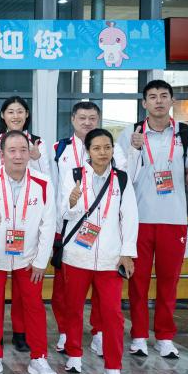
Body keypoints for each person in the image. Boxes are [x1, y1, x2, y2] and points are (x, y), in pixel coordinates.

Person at [117, 80, 188, 359]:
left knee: (169, 281)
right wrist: (133, 150)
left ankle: (165, 337)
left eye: (163, 96)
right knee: (138, 282)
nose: (158, 101)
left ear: (171, 101)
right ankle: (139, 336)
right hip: (139, 219)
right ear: (144, 103)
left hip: (174, 218)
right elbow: (122, 177)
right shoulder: (131, 133)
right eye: (153, 96)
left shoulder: (186, 133)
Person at [0, 130, 58, 374]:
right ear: (1, 155)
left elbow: (48, 225)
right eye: (12, 151)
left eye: (23, 150)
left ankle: (39, 358)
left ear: (29, 153)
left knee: (34, 306)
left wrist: (41, 261)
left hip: (29, 257)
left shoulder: (43, 183)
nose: (18, 156)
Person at [56, 128, 138, 374]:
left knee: (113, 315)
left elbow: (130, 217)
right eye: (97, 148)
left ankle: (113, 368)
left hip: (110, 259)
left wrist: (127, 253)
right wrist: (72, 202)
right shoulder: (74, 176)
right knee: (73, 308)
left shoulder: (121, 179)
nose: (103, 153)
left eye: (107, 147)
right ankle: (74, 354)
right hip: (77, 256)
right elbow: (64, 214)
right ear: (88, 151)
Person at [0, 95, 49, 353]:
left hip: (27, 241)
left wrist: (36, 158)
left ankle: (24, 336)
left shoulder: (38, 146)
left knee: (28, 297)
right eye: (10, 111)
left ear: (27, 115)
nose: (15, 116)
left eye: (20, 111)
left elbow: (46, 185)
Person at [50, 102, 125, 355]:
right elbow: (54, 186)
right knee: (65, 288)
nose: (87, 122)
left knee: (103, 288)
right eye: (82, 117)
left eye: (92, 118)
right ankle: (65, 332)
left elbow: (124, 183)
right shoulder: (60, 149)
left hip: (105, 229)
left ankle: (99, 332)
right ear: (73, 119)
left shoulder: (113, 149)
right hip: (69, 226)